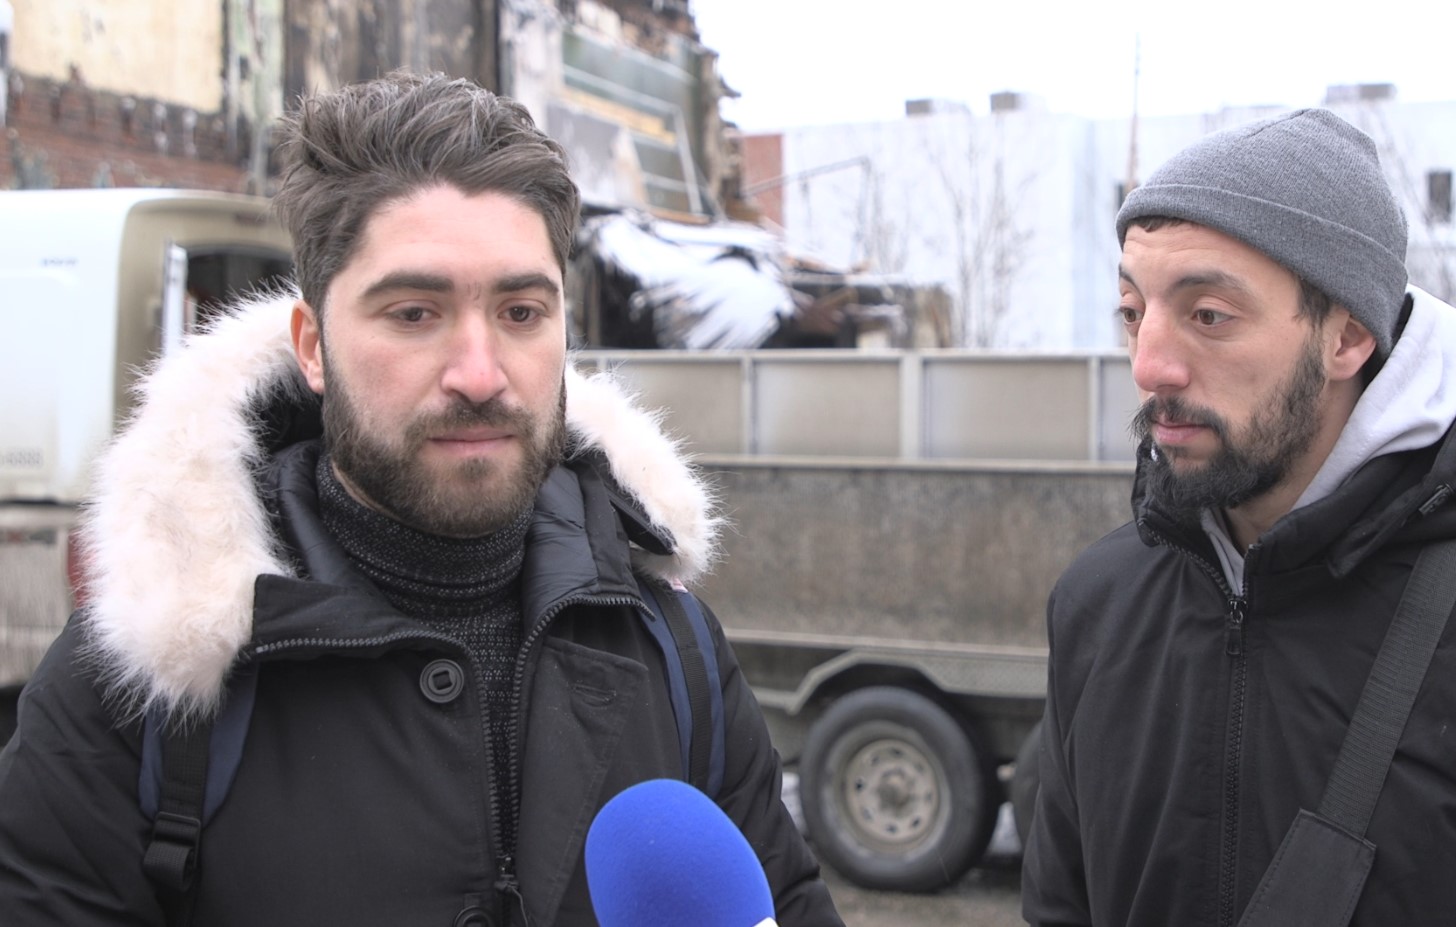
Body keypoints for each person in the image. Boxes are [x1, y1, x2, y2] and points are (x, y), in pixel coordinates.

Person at [0, 72, 843, 927]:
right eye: (413, 313)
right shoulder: (145, 687)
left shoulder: (676, 652)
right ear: (313, 347)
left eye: (520, 311)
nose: (480, 374)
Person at [1021, 108, 1456, 927]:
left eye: (1208, 315)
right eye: (1132, 311)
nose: (1150, 363)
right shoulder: (1099, 601)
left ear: (1348, 338)